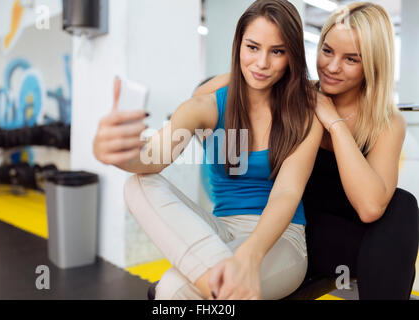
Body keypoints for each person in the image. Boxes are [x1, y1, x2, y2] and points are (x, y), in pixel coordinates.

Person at [93, 0, 324, 300]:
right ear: (238, 46)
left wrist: (249, 257)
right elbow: (152, 159)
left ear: (292, 55)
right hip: (219, 230)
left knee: (172, 290)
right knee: (137, 183)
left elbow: (286, 195)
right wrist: (122, 154)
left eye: (277, 51)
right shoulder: (205, 106)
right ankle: (231, 293)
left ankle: (226, 291)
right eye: (253, 47)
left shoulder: (305, 113)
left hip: (281, 239)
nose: (262, 63)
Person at [194, 2, 419, 300]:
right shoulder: (296, 94)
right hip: (293, 228)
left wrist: (335, 124)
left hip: (345, 236)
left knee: (402, 205)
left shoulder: (387, 121)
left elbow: (370, 208)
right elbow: (201, 97)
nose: (332, 66)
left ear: (373, 65)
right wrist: (268, 70)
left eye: (351, 59)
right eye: (327, 51)